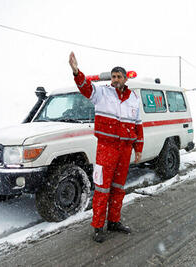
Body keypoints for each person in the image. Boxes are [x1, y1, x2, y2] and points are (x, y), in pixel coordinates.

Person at [69, 52, 144, 243]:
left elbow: (137, 125)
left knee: (118, 188)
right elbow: (86, 88)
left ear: (126, 79)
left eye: (119, 76)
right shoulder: (102, 93)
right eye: (113, 76)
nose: (116, 79)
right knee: (102, 189)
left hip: (125, 149)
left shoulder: (134, 98)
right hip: (106, 148)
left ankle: (114, 221)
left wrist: (138, 148)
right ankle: (97, 226)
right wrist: (77, 72)